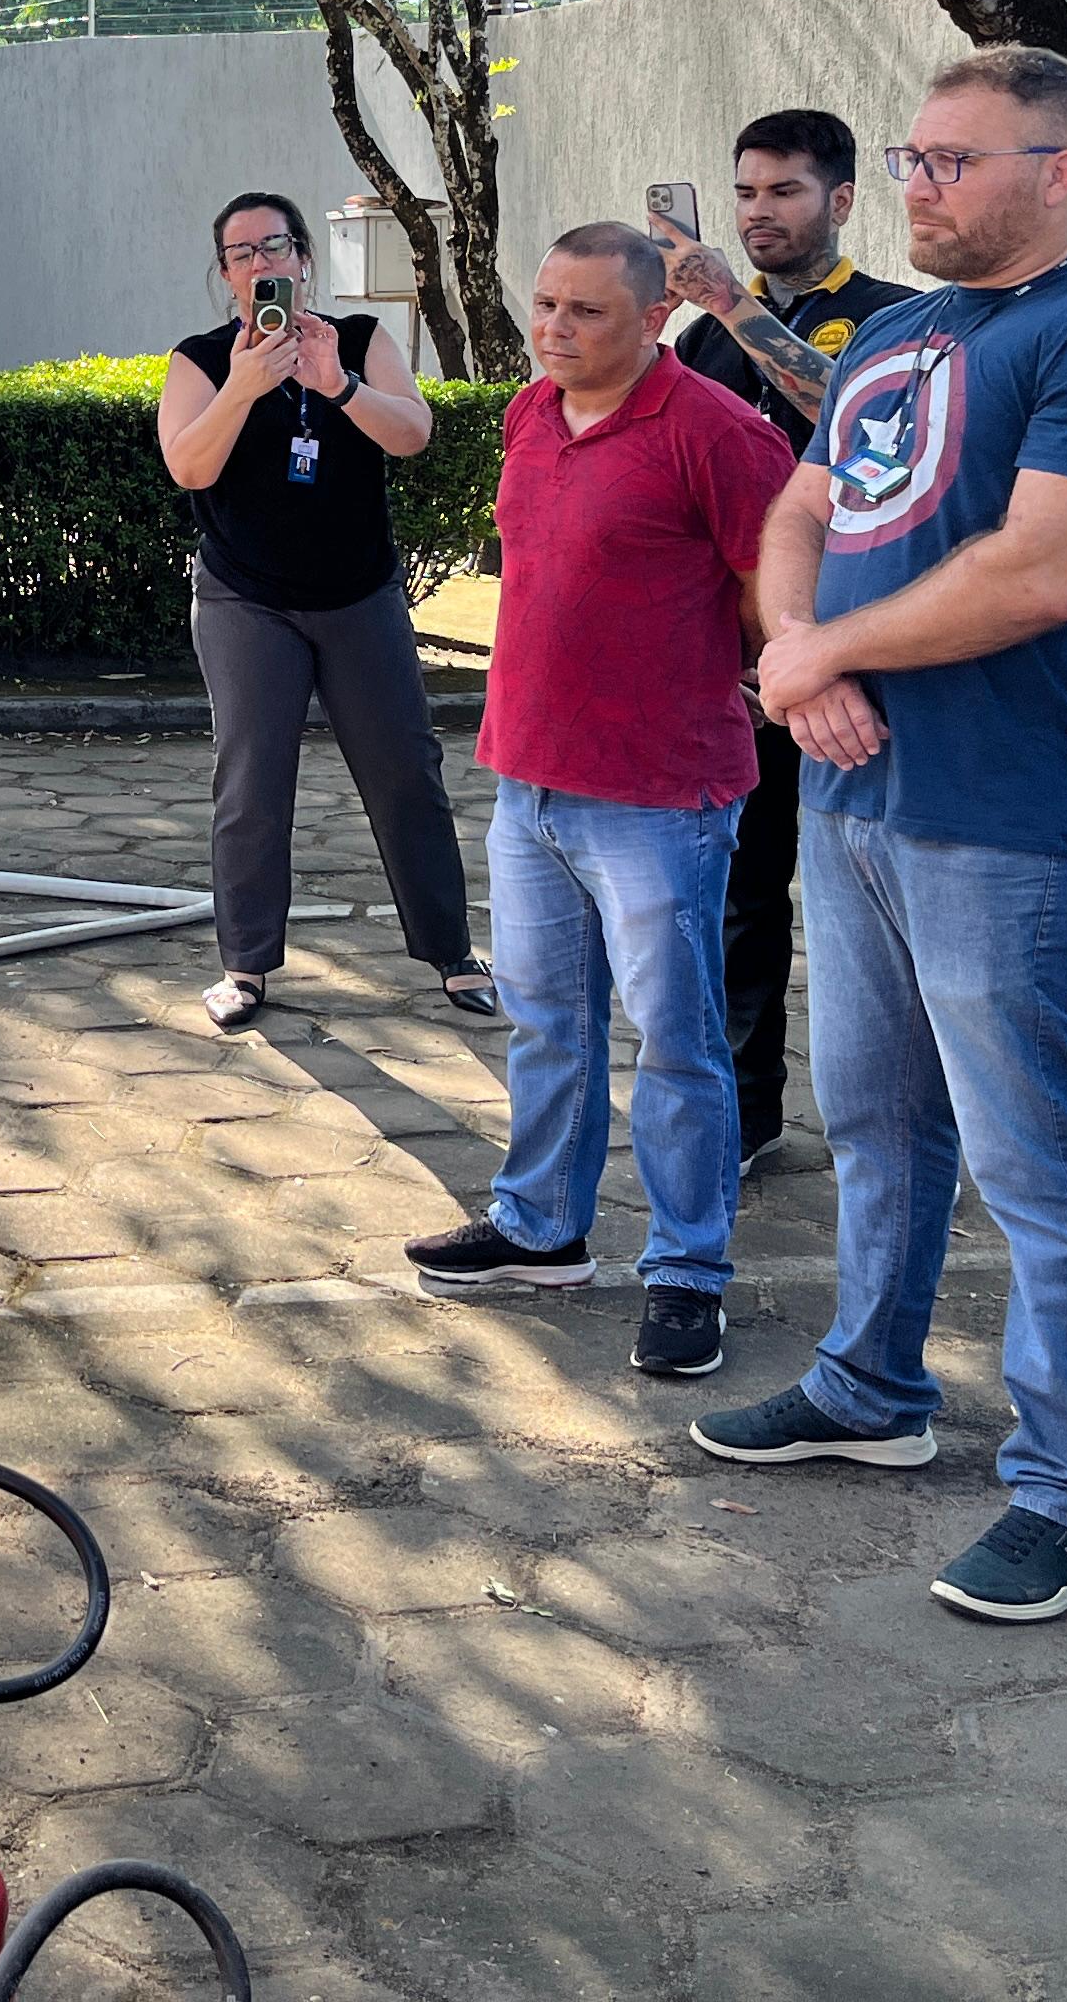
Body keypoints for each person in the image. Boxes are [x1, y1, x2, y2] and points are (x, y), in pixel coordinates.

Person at [685, 45, 1067, 1632]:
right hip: (858, 794)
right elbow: (801, 513)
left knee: (1036, 1159)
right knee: (878, 1121)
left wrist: (827, 658)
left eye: (951, 163)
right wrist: (801, 651)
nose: (917, 186)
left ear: (1057, 172)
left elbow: (1040, 572)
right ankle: (871, 1383)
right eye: (912, 159)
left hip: (1010, 812)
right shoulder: (904, 334)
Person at [406, 225, 795, 1382]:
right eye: (544, 307)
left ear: (652, 320)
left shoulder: (721, 435)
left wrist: (746, 687)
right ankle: (541, 1230)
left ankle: (687, 1270)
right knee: (546, 1021)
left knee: (676, 1046)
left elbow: (770, 593)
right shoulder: (531, 416)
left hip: (660, 795)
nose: (554, 332)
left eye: (584, 314)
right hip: (527, 777)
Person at [652, 111, 918, 1172]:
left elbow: (853, 429)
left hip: (862, 656)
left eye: (786, 193)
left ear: (841, 200)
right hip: (739, 667)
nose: (761, 213)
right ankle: (744, 1116)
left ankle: (909, 1124)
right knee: (741, 891)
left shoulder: (902, 323)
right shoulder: (705, 333)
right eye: (747, 193)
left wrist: (726, 302)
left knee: (883, 900)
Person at [157, 190, 491, 1035]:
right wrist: (240, 389)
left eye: (275, 246)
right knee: (252, 783)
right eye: (242, 253)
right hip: (246, 601)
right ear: (225, 273)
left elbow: (412, 433)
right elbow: (189, 469)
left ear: (305, 257)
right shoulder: (199, 359)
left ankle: (451, 951)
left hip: (358, 594)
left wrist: (336, 387)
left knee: (405, 771)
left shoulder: (361, 342)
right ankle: (245, 967)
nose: (262, 264)